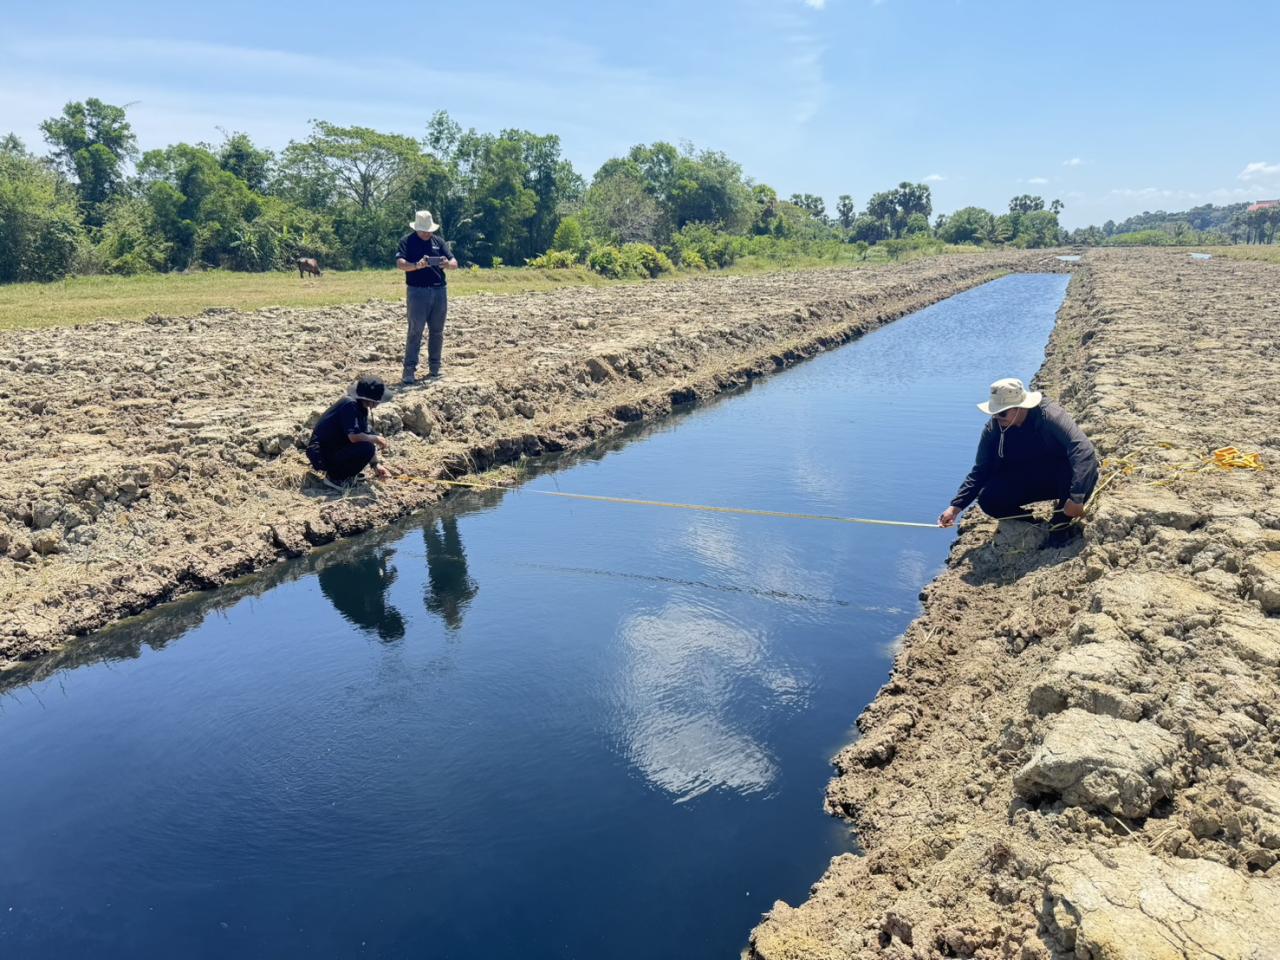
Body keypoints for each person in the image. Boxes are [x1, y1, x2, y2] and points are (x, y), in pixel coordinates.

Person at [938, 378, 1098, 544]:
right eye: (994, 413)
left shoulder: (1048, 415)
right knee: (989, 499)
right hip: (1027, 478)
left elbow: (1083, 450)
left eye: (1002, 413)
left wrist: (1076, 497)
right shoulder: (993, 429)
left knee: (1080, 474)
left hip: (1061, 477)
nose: (997, 418)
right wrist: (954, 508)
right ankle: (1030, 522)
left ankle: (1060, 522)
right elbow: (981, 470)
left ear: (1020, 407)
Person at [396, 210, 458, 386]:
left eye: (429, 230)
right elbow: (400, 264)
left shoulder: (439, 242)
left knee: (437, 331)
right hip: (417, 292)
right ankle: (409, 370)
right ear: (416, 229)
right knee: (415, 331)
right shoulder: (407, 242)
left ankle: (435, 367)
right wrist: (417, 265)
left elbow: (454, 263)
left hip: (439, 291)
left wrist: (446, 264)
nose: (427, 233)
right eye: (423, 230)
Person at [306, 377, 392, 491]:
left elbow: (364, 434)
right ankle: (334, 478)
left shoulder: (361, 408)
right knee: (367, 448)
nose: (378, 403)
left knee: (367, 446)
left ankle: (344, 473)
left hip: (335, 447)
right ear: (370, 399)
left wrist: (375, 465)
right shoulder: (350, 405)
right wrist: (375, 438)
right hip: (321, 453)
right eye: (377, 400)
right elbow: (354, 437)